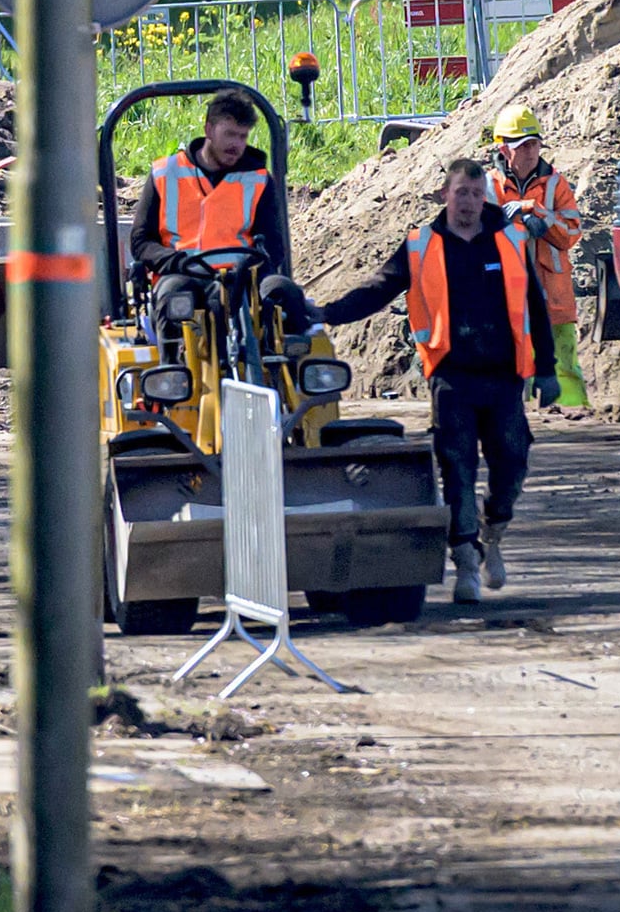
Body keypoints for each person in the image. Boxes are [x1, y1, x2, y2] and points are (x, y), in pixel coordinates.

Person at [315, 158, 558, 603]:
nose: (468, 202)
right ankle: (465, 561)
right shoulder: (421, 245)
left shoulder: (509, 239)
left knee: (512, 462)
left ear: (485, 198)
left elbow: (536, 305)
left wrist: (547, 367)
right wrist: (327, 314)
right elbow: (378, 289)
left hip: (504, 378)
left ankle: (493, 531)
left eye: (476, 194)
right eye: (461, 192)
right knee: (457, 469)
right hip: (451, 378)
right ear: (445, 194)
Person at [127, 91, 292, 278]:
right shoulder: (165, 173)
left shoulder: (258, 179)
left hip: (241, 278)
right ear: (209, 130)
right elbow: (141, 241)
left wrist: (249, 268)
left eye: (242, 136)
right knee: (177, 295)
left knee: (281, 290)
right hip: (180, 275)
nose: (236, 144)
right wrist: (176, 262)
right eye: (229, 134)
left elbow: (273, 245)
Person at [484, 107, 586, 407]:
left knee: (564, 365)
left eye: (534, 144)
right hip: (506, 297)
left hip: (552, 296)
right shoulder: (488, 186)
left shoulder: (555, 183)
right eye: (523, 146)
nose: (531, 151)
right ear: (504, 149)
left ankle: (575, 417)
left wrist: (539, 214)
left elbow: (571, 234)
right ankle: (520, 419)